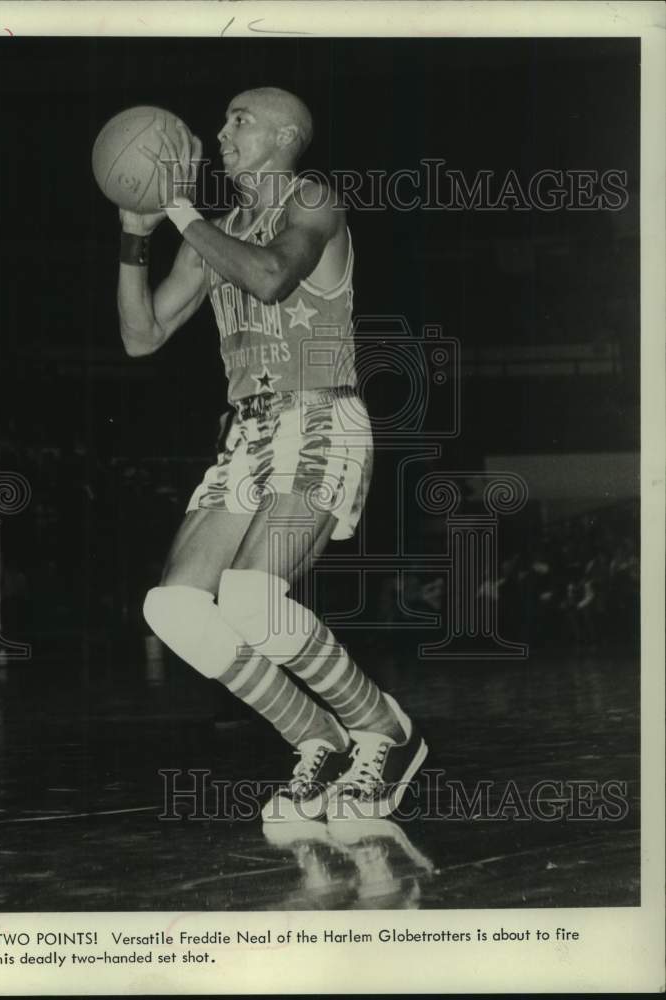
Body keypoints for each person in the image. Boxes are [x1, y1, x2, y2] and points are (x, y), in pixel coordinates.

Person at [116, 86, 427, 822]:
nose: (221, 131)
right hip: (246, 434)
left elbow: (270, 274)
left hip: (320, 417)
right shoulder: (216, 228)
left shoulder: (314, 200)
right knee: (173, 608)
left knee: (252, 601)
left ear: (287, 135)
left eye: (239, 119)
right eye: (224, 120)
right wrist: (135, 231)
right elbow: (141, 335)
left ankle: (386, 731)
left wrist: (180, 212)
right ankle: (315, 739)